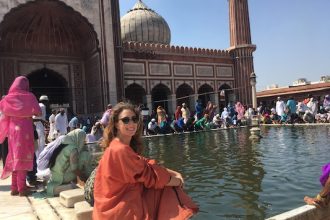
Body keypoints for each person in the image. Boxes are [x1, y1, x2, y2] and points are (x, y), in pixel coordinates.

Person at [93, 102, 198, 219]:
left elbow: (144, 163)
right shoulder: (120, 150)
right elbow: (152, 176)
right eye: (126, 120)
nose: (131, 123)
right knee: (168, 187)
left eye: (134, 119)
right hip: (119, 212)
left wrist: (174, 173)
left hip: (107, 210)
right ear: (117, 124)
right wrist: (178, 182)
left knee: (163, 184)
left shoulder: (116, 146)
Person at [0, 76, 42, 196]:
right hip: (25, 130)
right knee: (23, 157)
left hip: (13, 132)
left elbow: (3, 112)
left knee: (14, 157)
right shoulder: (30, 96)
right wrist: (28, 111)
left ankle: (14, 187)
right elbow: (38, 112)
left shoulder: (8, 98)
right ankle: (22, 188)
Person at [46, 129, 92, 196]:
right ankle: (91, 179)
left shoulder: (63, 144)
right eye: (83, 139)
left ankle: (60, 187)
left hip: (55, 176)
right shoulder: (73, 149)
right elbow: (74, 169)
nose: (84, 142)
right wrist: (85, 178)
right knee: (85, 156)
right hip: (62, 177)